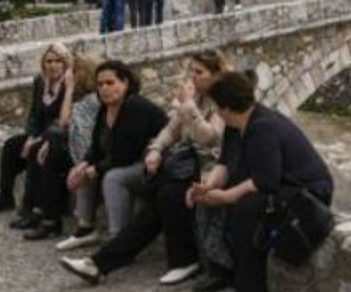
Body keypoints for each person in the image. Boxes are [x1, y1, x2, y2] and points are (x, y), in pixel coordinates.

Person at [60, 53, 228, 286]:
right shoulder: (197, 99)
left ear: (216, 74)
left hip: (214, 170)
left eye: (199, 72)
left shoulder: (224, 100)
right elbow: (171, 130)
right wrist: (156, 149)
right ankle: (99, 264)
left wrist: (188, 106)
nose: (193, 77)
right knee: (160, 198)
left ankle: (183, 261)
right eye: (192, 71)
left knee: (167, 196)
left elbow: (210, 138)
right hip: (188, 168)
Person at [187, 71, 335, 292]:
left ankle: (248, 283)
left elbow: (266, 181)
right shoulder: (235, 125)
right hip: (278, 185)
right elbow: (225, 162)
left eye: (218, 106)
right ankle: (222, 268)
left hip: (307, 193)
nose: (217, 111)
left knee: (247, 211)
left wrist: (226, 196)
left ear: (226, 107)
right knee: (223, 205)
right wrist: (209, 187)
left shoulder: (262, 127)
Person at [62, 60, 169, 257]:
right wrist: (83, 164)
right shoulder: (105, 109)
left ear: (125, 83)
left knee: (113, 177)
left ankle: (118, 239)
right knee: (84, 170)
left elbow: (126, 154)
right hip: (128, 162)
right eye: (100, 84)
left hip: (153, 164)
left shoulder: (134, 106)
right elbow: (95, 148)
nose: (104, 88)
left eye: (110, 83)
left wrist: (95, 169)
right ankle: (86, 227)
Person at [0, 43, 71, 229]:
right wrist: (31, 135)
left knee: (35, 153)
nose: (52, 66)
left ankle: (31, 208)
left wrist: (41, 138)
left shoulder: (70, 85)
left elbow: (64, 121)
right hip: (40, 134)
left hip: (59, 138)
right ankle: (5, 195)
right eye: (48, 61)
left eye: (57, 61)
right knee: (12, 145)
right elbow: (34, 114)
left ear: (65, 64)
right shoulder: (40, 81)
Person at [53, 54, 104, 251]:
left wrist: (69, 89)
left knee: (82, 172)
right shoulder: (87, 99)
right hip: (86, 154)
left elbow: (64, 122)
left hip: (92, 155)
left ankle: (84, 227)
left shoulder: (91, 101)